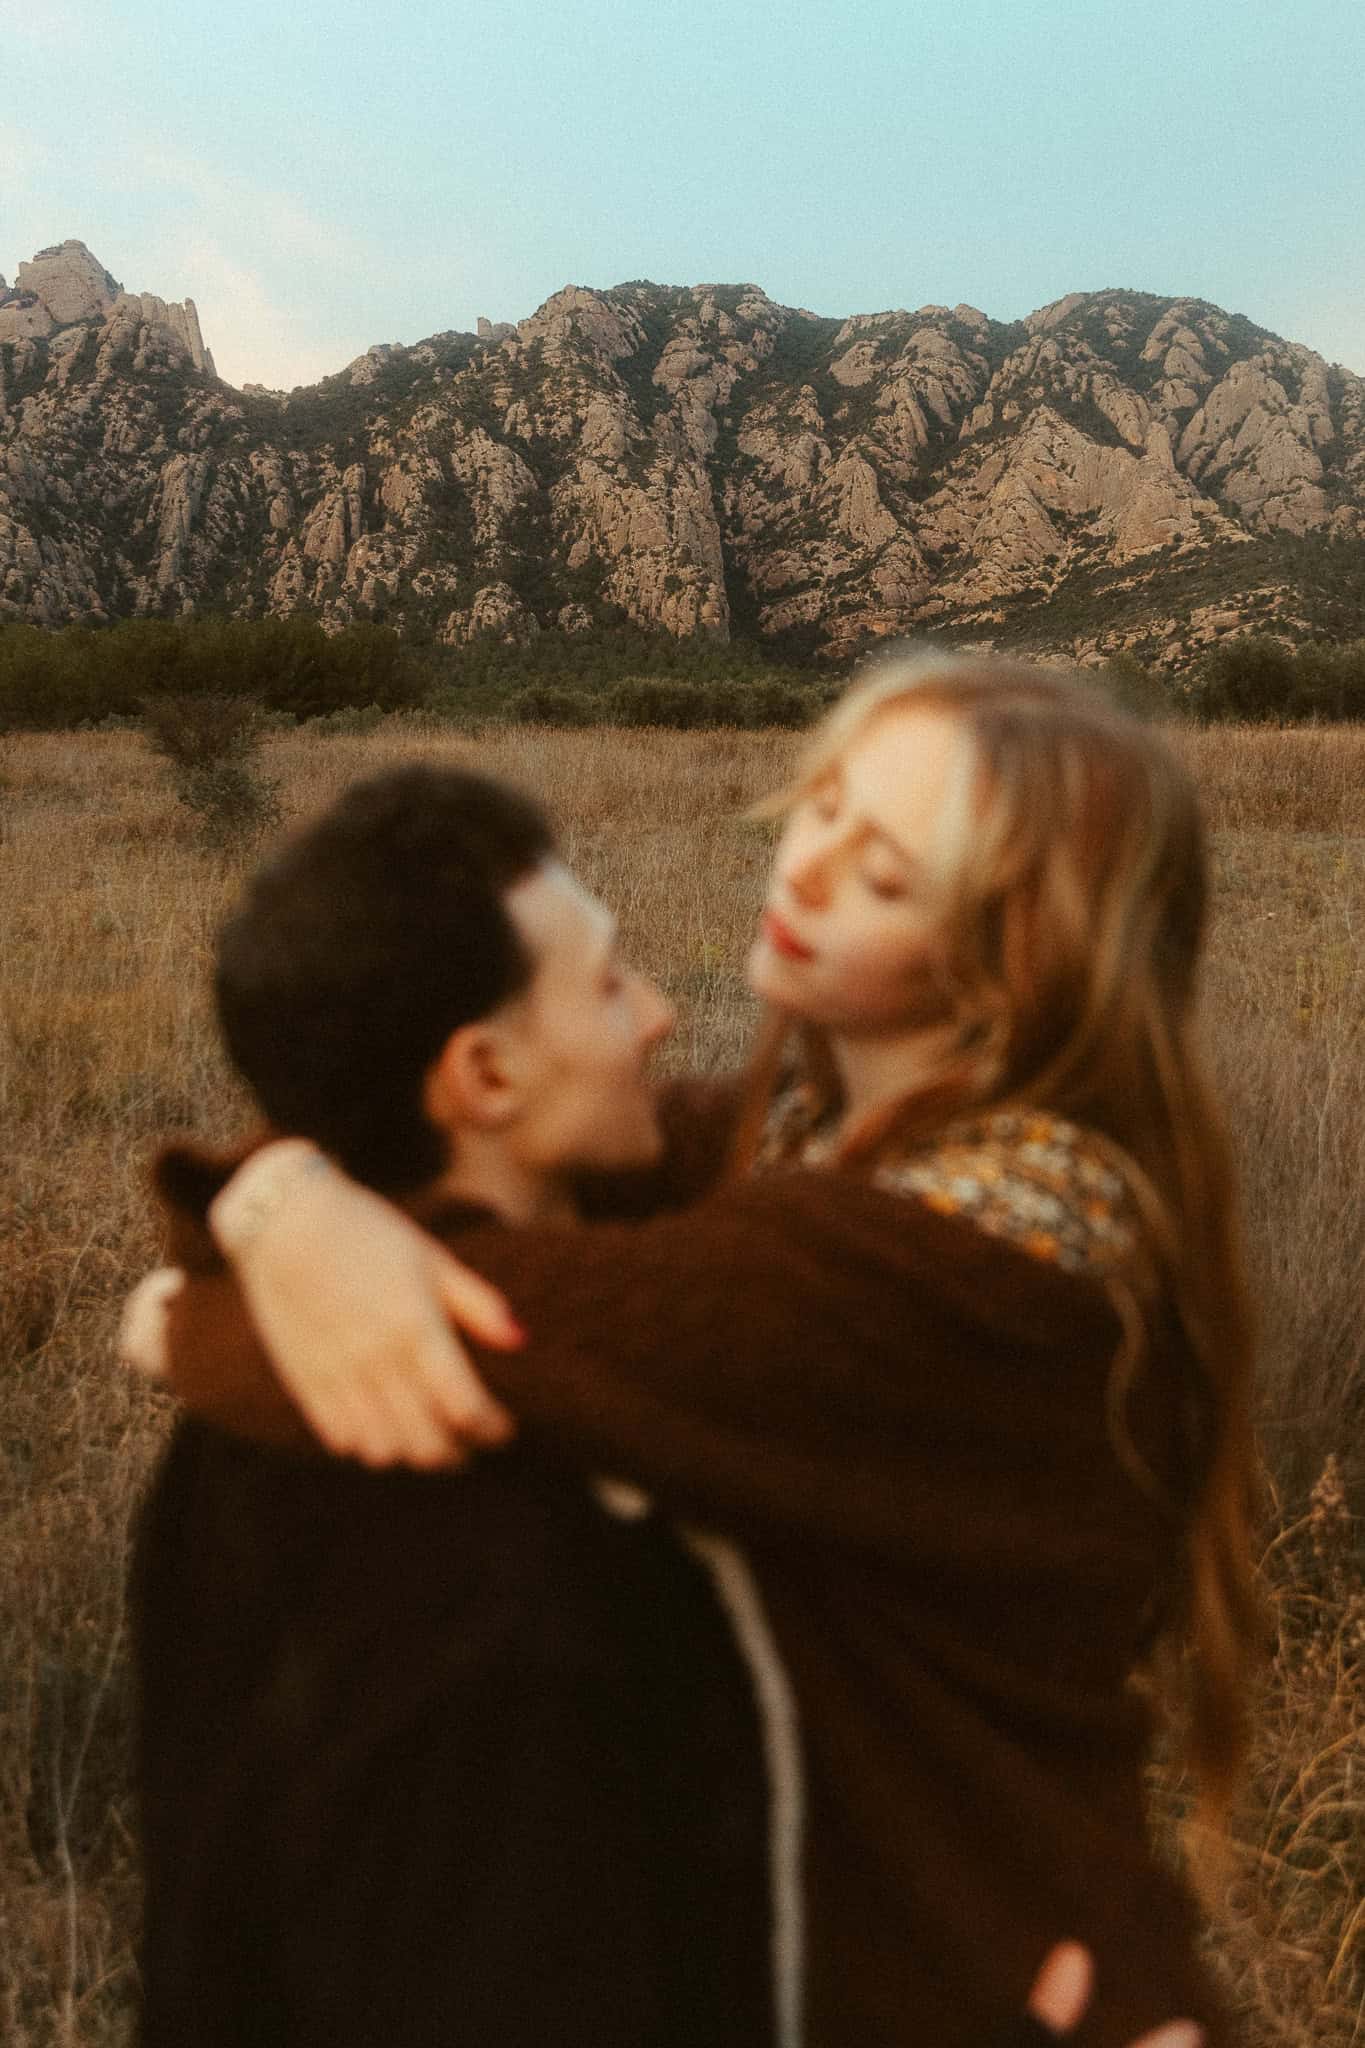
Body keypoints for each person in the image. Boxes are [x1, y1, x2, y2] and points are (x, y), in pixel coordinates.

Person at [132, 651, 1262, 2046]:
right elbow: (436, 1135)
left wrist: (209, 1291)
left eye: (887, 875)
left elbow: (477, 1318)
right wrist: (272, 1200)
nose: (807, 867)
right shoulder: (794, 1143)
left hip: (987, 1972)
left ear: (1005, 970)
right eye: (824, 803)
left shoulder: (974, 1252)